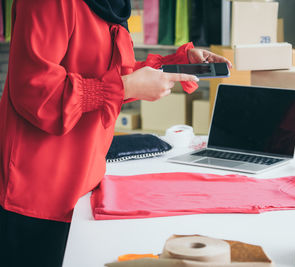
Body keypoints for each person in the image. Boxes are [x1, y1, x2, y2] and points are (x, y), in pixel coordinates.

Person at [0, 0, 232, 266]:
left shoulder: (108, 4)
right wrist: (122, 88)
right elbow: (37, 93)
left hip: (85, 183)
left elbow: (108, 76)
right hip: (38, 195)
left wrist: (175, 64)